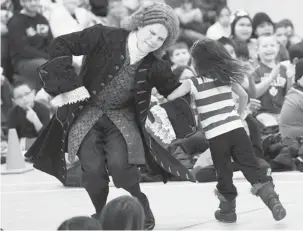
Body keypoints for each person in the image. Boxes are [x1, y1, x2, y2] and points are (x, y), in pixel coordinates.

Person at [24, 3, 192, 230]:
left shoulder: (156, 65)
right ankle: (102, 214)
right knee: (92, 172)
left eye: (161, 39)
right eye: (152, 32)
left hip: (122, 120)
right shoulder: (104, 35)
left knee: (121, 169)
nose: (154, 40)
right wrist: (68, 85)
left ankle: (142, 208)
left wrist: (197, 83)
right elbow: (60, 43)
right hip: (85, 114)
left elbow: (172, 90)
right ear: (140, 23)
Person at [167, 39, 286, 223]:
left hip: (216, 136)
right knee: (251, 167)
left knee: (224, 173)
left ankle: (227, 211)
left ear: (197, 62)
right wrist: (238, 115)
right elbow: (244, 96)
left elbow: (171, 96)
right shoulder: (225, 77)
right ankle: (272, 201)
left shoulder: (193, 83)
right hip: (237, 130)